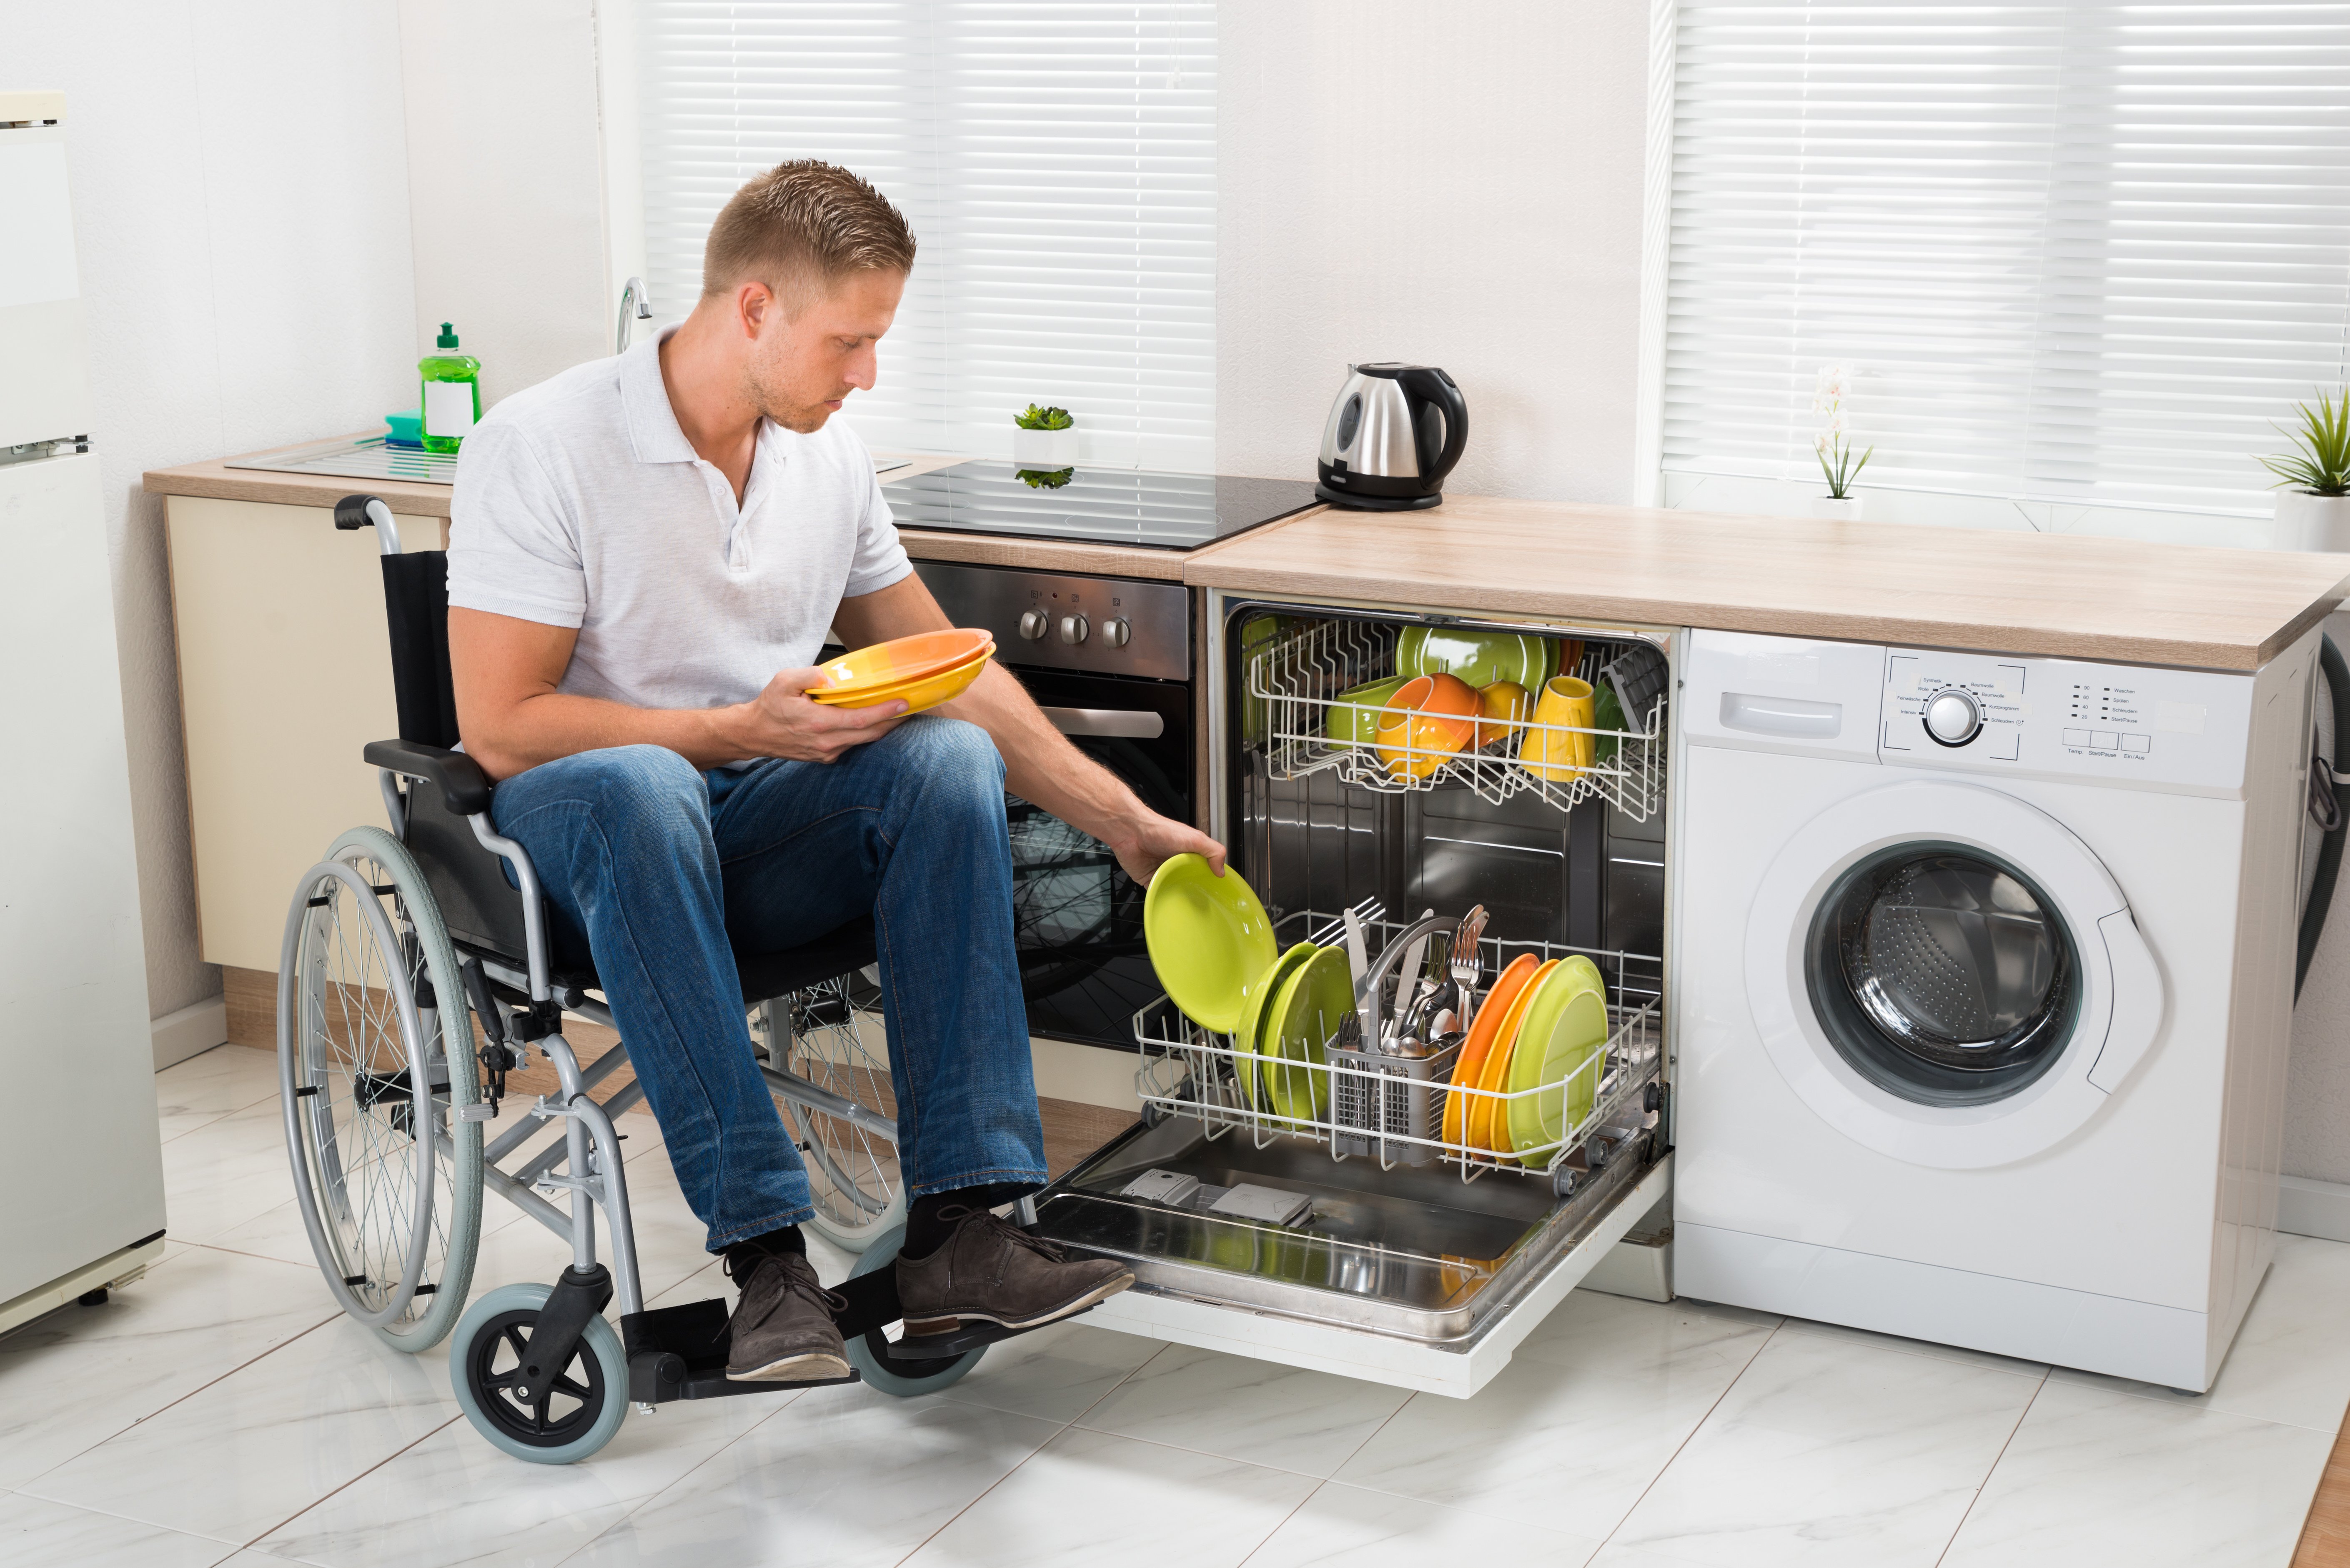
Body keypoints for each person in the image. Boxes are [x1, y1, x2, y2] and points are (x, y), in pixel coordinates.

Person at [444, 159, 1223, 1381]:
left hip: (751, 818)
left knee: (944, 756)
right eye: (849, 342)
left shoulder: (827, 460)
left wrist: (1122, 820)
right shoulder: (542, 443)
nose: (867, 375)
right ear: (753, 309)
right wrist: (727, 734)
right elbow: (500, 725)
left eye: (879, 344)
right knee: (649, 792)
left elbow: (944, 667)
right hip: (585, 816)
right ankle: (766, 1259)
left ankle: (963, 1228)